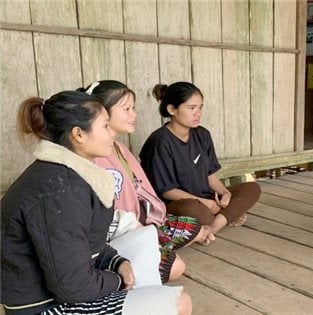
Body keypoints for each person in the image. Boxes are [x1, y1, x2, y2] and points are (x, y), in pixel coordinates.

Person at [1, 91, 191, 314]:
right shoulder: (60, 189)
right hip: (45, 307)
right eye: (105, 126)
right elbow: (72, 287)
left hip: (61, 289)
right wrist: (117, 280)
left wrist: (116, 261)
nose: (112, 134)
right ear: (79, 135)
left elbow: (82, 244)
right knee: (179, 303)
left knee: (159, 265)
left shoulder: (64, 174)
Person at [86, 80, 214, 283]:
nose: (134, 114)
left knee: (194, 227)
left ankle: (165, 239)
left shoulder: (118, 147)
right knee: (176, 265)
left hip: (142, 222)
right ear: (102, 113)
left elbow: (140, 189)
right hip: (115, 238)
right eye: (126, 109)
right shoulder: (93, 154)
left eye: (133, 108)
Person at [139, 82, 261, 241]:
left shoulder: (202, 135)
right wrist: (207, 204)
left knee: (252, 188)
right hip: (176, 204)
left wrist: (224, 193)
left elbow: (209, 174)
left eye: (200, 107)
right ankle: (224, 217)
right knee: (191, 209)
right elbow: (167, 191)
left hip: (207, 199)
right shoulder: (160, 142)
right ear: (172, 110)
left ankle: (212, 227)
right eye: (191, 108)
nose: (198, 113)